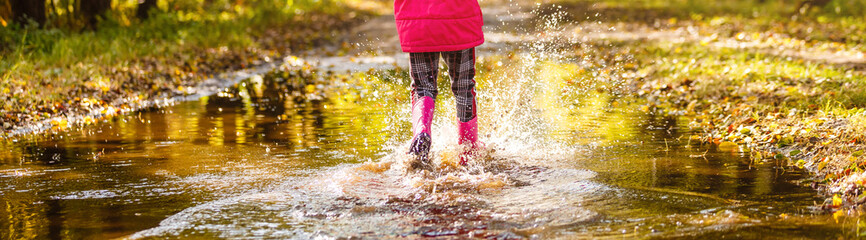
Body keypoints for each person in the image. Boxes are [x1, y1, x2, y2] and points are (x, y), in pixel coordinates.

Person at [394, 0, 484, 171]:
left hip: (418, 23)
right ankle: (469, 152)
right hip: (459, 18)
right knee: (464, 87)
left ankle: (421, 132)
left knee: (422, 88)